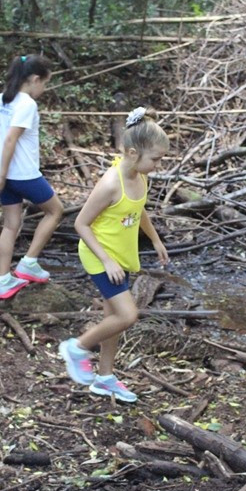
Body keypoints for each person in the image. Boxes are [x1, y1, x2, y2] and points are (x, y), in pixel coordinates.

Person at [59, 107, 170, 403]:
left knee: (114, 317)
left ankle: (104, 378)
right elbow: (80, 224)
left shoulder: (140, 177)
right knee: (127, 315)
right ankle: (76, 348)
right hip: (100, 256)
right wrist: (107, 261)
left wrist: (155, 240)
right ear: (133, 153)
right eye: (155, 159)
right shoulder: (110, 183)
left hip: (120, 256)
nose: (158, 165)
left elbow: (138, 209)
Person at [0, 54, 64, 300]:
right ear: (35, 79)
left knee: (10, 225)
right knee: (55, 211)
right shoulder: (27, 103)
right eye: (45, 83)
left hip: (3, 174)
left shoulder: (1, 99)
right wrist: (3, 176)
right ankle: (28, 262)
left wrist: (0, 175)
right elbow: (10, 140)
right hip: (22, 174)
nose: (44, 89)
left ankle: (4, 280)